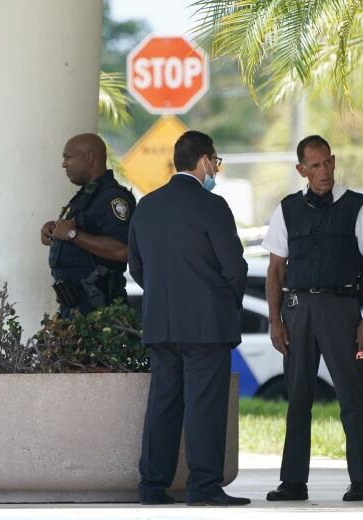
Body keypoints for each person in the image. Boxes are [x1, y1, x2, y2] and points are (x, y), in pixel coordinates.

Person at [262, 135, 363, 502]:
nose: (323, 171)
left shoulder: (357, 207)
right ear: (301, 170)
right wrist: (275, 320)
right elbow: (275, 270)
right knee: (298, 395)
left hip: (341, 309)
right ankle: (293, 482)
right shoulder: (286, 209)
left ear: (334, 161)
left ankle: (361, 480)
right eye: (314, 166)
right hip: (298, 310)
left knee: (350, 395)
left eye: (327, 163)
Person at [130, 130, 250, 507]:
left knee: (163, 404)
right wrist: (224, 301)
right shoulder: (212, 206)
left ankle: (152, 486)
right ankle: (204, 487)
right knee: (205, 405)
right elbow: (234, 266)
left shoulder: (146, 206)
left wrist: (166, 297)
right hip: (206, 324)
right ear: (203, 160)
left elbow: (137, 268)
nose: (215, 168)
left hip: (161, 323)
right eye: (215, 161)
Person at [40, 133, 136, 317]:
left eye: (68, 157)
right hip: (75, 307)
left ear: (89, 157)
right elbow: (79, 230)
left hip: (100, 310)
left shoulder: (113, 199)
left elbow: (122, 251)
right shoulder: (88, 195)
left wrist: (72, 235)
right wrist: (54, 229)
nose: (64, 164)